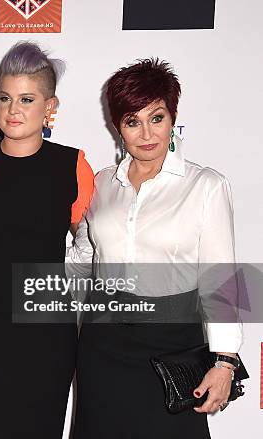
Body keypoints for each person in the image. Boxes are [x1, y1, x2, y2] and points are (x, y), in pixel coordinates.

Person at [67, 59, 243, 438]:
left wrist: (225, 361)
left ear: (172, 117)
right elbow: (83, 259)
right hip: (103, 346)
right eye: (133, 121)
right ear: (118, 128)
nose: (147, 133)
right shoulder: (101, 184)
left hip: (174, 345)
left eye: (157, 117)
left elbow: (221, 280)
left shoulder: (206, 185)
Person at [0, 42, 94, 438]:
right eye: (5, 98)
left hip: (47, 338)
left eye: (27, 99)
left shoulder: (73, 166)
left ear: (51, 106)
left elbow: (89, 248)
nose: (13, 110)